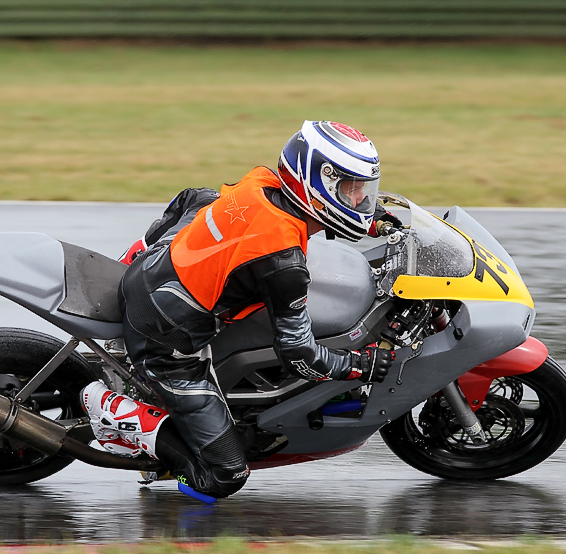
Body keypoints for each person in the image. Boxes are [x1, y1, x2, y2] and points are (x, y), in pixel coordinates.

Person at [81, 120, 397, 501]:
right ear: (319, 184)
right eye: (351, 189)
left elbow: (189, 198)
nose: (361, 199)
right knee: (225, 476)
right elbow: (298, 354)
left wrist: (373, 220)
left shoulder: (264, 182)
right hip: (166, 338)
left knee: (203, 198)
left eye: (363, 189)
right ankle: (118, 416)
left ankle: (138, 255)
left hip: (154, 267)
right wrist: (359, 366)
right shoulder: (284, 262)